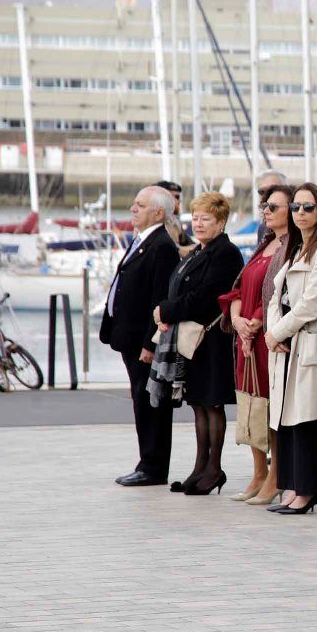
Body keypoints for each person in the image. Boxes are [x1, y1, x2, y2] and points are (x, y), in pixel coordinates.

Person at [153, 191, 244, 496]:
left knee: (211, 403)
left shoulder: (226, 253)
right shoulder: (198, 251)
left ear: (221, 222)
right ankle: (199, 467)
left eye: (206, 218)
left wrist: (167, 309)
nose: (199, 223)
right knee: (197, 405)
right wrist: (169, 309)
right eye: (196, 218)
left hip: (211, 340)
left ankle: (214, 468)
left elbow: (208, 298)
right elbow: (180, 289)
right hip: (192, 341)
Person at [265, 183, 317, 514]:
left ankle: (310, 490)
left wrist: (277, 331)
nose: (300, 213)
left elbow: (312, 303)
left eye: (308, 207)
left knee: (308, 418)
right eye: (296, 207)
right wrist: (274, 331)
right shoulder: (297, 248)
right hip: (287, 343)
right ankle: (293, 484)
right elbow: (275, 295)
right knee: (287, 418)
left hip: (309, 340)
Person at [102, 185, 181, 487]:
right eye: (133, 204)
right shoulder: (142, 240)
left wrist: (150, 343)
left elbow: (159, 300)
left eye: (140, 205)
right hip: (127, 336)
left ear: (158, 212)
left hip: (143, 340)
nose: (133, 209)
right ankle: (146, 461)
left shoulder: (161, 246)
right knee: (139, 399)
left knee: (150, 402)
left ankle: (153, 466)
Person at [218, 184, 291, 504]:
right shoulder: (264, 245)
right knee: (251, 404)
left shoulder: (290, 247)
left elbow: (280, 292)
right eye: (265, 205)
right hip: (245, 337)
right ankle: (258, 472)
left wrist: (256, 323)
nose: (266, 211)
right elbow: (237, 288)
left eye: (274, 206)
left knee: (270, 406)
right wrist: (236, 319)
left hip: (266, 338)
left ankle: (276, 477)